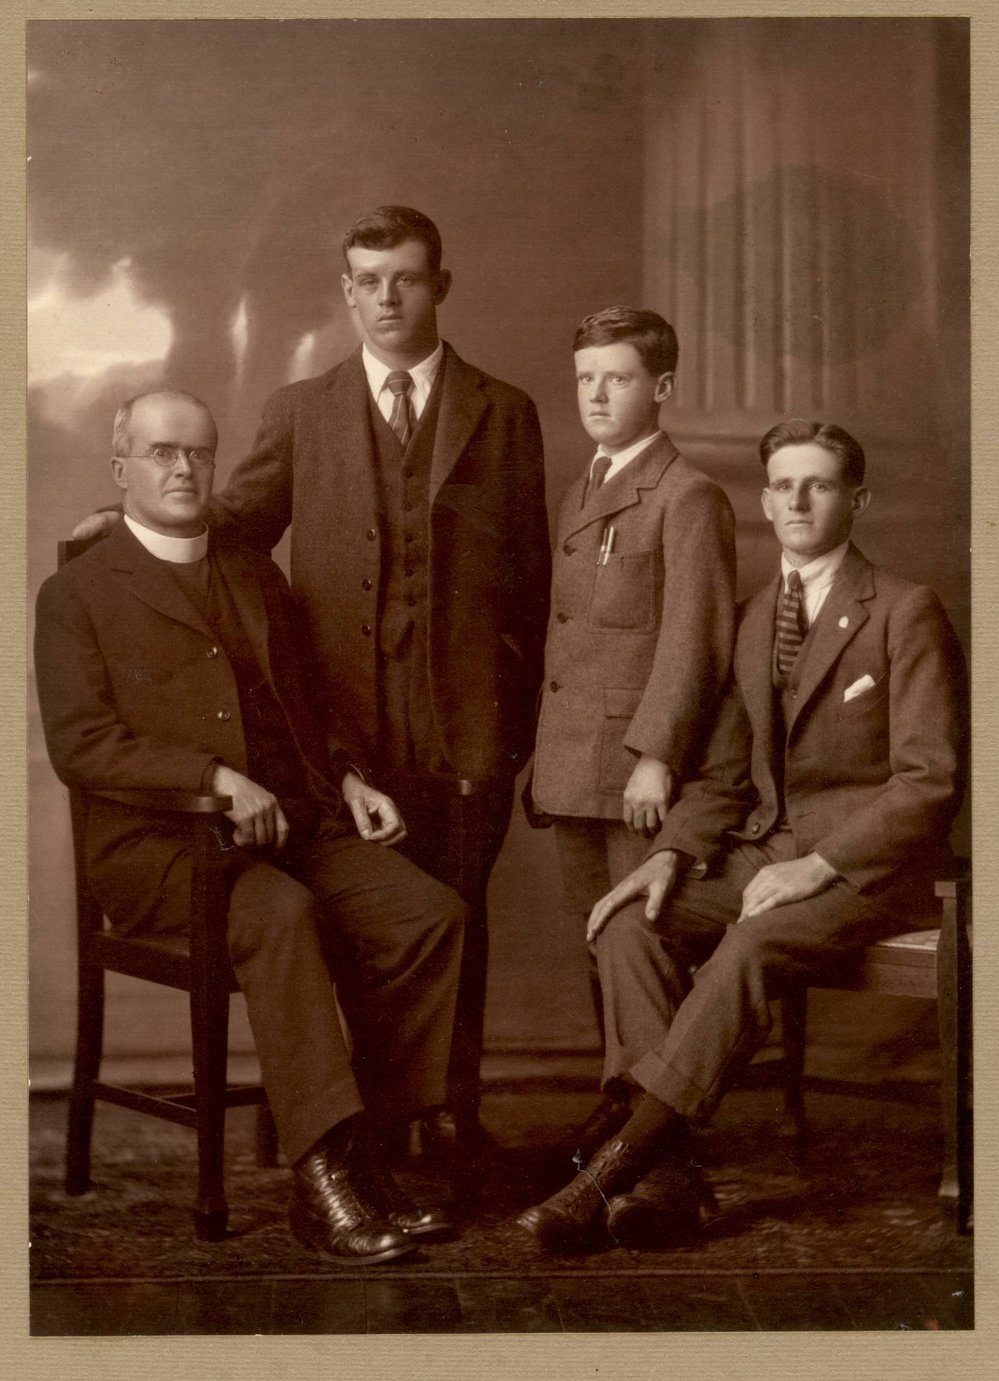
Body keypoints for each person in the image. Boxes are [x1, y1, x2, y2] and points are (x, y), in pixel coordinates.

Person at [73, 207, 551, 1151]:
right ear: (345, 291)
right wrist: (121, 520)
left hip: (463, 728)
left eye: (405, 278)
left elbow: (531, 586)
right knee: (359, 919)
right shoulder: (302, 408)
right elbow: (235, 523)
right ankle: (364, 1135)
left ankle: (444, 1116)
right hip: (341, 727)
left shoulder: (503, 411)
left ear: (439, 286)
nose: (386, 297)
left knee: (452, 921)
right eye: (367, 280)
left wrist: (512, 726)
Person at [36, 390, 468, 1265]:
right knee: (280, 916)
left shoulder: (250, 569)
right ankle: (322, 1177)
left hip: (293, 824)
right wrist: (210, 778)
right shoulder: (76, 592)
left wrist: (347, 777)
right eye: (161, 452)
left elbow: (309, 697)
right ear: (121, 465)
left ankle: (369, 1150)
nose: (183, 469)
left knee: (427, 914)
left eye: (198, 453)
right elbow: (83, 746)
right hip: (158, 849)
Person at [518, 418, 967, 1253]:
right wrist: (667, 856)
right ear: (764, 499)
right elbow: (724, 773)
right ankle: (666, 1172)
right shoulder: (751, 618)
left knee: (749, 946)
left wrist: (817, 866)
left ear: (856, 500)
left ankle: (608, 1170)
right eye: (783, 485)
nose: (797, 499)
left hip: (869, 868)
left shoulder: (905, 612)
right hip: (765, 846)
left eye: (820, 483)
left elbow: (929, 781)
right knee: (627, 921)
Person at [528, 307, 735, 1148]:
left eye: (616, 378)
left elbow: (697, 638)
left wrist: (655, 755)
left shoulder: (686, 495)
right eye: (585, 378)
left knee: (636, 950)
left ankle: (651, 1148)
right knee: (598, 951)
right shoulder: (587, 485)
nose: (597, 394)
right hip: (571, 763)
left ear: (661, 388)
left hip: (632, 772)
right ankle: (622, 1113)